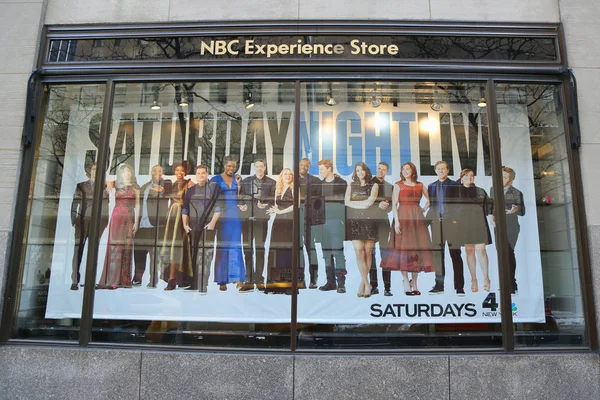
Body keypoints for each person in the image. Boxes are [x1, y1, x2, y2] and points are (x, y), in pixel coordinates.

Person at [382, 162, 433, 296]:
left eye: (407, 169)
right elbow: (394, 204)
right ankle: (405, 281)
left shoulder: (420, 185)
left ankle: (414, 283)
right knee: (403, 249)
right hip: (403, 218)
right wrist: (397, 222)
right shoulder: (398, 185)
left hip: (417, 219)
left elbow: (429, 200)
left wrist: (423, 209)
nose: (405, 171)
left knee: (416, 250)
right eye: (403, 169)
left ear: (412, 170)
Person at [96, 163, 139, 290]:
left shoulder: (136, 187)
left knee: (125, 247)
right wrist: (108, 183)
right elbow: (102, 182)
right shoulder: (116, 184)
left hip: (129, 217)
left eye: (129, 171)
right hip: (116, 217)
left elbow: (138, 206)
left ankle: (123, 279)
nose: (127, 173)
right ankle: (110, 279)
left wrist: (137, 222)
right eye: (124, 172)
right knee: (114, 247)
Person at [426, 160, 465, 295]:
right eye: (439, 169)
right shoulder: (431, 186)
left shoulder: (455, 185)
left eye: (444, 169)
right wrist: (427, 222)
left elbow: (460, 204)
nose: (441, 171)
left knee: (455, 255)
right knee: (438, 256)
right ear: (435, 171)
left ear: (448, 170)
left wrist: (455, 220)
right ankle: (439, 285)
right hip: (436, 225)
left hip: (451, 224)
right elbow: (431, 206)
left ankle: (459, 287)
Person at [182, 165, 222, 293]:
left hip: (208, 226)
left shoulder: (214, 188)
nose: (201, 175)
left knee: (205, 255)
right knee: (194, 254)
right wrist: (184, 224)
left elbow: (218, 207)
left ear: (207, 174)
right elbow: (185, 208)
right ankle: (194, 284)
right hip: (193, 226)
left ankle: (203, 285)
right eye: (198, 173)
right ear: (195, 175)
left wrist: (212, 223)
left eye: (203, 173)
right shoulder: (191, 190)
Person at [70, 162, 109, 290]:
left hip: (97, 223)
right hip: (82, 221)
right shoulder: (81, 186)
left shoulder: (104, 187)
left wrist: (104, 222)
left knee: (93, 251)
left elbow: (105, 205)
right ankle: (75, 279)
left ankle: (90, 279)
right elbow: (75, 203)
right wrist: (74, 219)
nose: (96, 172)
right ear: (89, 171)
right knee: (78, 250)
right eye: (94, 169)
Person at [238, 159, 276, 292]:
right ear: (254, 168)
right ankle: (248, 281)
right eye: (257, 166)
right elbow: (240, 196)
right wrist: (241, 205)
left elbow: (274, 200)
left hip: (261, 220)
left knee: (260, 250)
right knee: (247, 250)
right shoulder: (246, 181)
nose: (259, 168)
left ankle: (259, 279)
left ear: (265, 167)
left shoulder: (272, 182)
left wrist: (265, 204)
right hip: (247, 219)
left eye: (261, 166)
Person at [133, 165, 171, 288]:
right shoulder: (145, 186)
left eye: (160, 171)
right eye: (154, 170)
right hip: (142, 224)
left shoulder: (167, 184)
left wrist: (163, 191)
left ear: (163, 172)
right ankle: (138, 277)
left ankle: (153, 279)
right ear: (151, 172)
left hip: (156, 225)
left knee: (154, 254)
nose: (157, 173)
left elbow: (170, 193)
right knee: (138, 252)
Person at [210, 156, 245, 291]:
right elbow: (211, 198)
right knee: (222, 247)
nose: (231, 168)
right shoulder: (216, 179)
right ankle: (222, 279)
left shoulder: (237, 179)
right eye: (229, 166)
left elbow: (239, 197)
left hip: (235, 217)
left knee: (236, 246)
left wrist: (239, 185)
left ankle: (238, 278)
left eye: (233, 166)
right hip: (221, 217)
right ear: (224, 165)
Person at [313, 159, 348, 293]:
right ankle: (330, 282)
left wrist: (343, 221)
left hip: (336, 222)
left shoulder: (341, 183)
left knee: (338, 252)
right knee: (326, 253)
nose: (320, 172)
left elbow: (345, 203)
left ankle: (341, 283)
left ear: (329, 168)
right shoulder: (319, 185)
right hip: (322, 223)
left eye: (322, 169)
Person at [345, 162, 379, 298]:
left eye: (362, 170)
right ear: (355, 172)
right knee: (359, 252)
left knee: (368, 252)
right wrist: (362, 204)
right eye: (358, 170)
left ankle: (363, 284)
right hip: (355, 221)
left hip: (370, 220)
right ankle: (367, 283)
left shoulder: (374, 185)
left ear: (366, 171)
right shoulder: (351, 185)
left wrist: (356, 203)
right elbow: (346, 202)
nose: (360, 172)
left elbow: (370, 202)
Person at [456, 168, 492, 292]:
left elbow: (489, 207)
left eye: (471, 176)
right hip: (464, 224)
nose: (469, 178)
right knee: (469, 252)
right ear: (461, 178)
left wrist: (493, 219)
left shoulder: (480, 191)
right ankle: (474, 279)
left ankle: (486, 278)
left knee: (481, 250)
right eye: (466, 176)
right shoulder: (456, 192)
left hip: (479, 222)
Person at [490, 167, 525, 294]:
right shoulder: (493, 190)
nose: (501, 179)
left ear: (511, 180)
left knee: (509, 253)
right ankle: (506, 283)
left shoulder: (517, 193)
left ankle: (511, 284)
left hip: (511, 226)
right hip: (498, 225)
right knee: (501, 254)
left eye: (504, 177)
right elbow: (491, 206)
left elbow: (522, 211)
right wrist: (492, 218)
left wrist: (515, 210)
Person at [160, 161, 194, 291]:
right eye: (177, 170)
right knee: (171, 246)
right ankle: (172, 278)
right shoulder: (171, 184)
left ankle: (175, 279)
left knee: (179, 247)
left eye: (182, 170)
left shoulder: (189, 183)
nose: (179, 173)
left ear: (185, 172)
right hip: (171, 216)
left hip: (182, 215)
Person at [267, 168, 296, 289]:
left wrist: (280, 211)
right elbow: (276, 205)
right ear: (281, 176)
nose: (288, 176)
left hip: (289, 221)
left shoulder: (294, 188)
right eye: (285, 174)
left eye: (290, 174)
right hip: (278, 221)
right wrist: (272, 209)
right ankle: (275, 280)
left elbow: (297, 205)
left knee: (287, 250)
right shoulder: (278, 189)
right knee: (276, 249)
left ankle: (287, 282)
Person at [369, 161, 394, 296]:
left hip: (384, 222)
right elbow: (364, 202)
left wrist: (387, 206)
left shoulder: (390, 187)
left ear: (387, 172)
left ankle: (387, 288)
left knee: (385, 254)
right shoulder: (368, 183)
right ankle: (374, 286)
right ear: (376, 169)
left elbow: (391, 206)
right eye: (379, 169)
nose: (380, 171)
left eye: (383, 169)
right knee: (371, 255)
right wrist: (378, 204)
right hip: (369, 223)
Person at [298, 158, 322, 289]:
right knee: (298, 249)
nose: (303, 167)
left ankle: (314, 278)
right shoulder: (293, 179)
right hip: (296, 217)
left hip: (310, 219)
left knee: (311, 249)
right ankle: (300, 278)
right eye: (301, 165)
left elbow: (319, 202)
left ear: (309, 167)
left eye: (306, 165)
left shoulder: (316, 181)